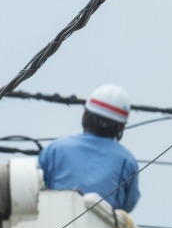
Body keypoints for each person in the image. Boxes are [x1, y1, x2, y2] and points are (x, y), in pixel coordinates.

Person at [38, 84, 141, 213]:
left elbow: (36, 193)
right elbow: (127, 206)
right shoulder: (127, 161)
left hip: (54, 225)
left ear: (85, 115)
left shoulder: (54, 150)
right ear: (120, 127)